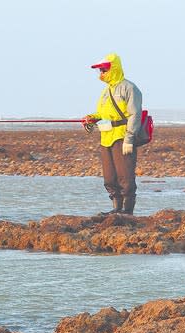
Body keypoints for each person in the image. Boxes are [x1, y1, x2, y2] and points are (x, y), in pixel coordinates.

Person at [83, 53, 142, 215]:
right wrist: (92, 118)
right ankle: (116, 208)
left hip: (122, 137)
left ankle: (127, 211)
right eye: (100, 70)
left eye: (104, 70)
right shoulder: (105, 91)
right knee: (109, 178)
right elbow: (103, 114)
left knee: (125, 176)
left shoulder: (129, 88)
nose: (101, 73)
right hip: (106, 138)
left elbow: (135, 114)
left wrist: (129, 139)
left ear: (113, 69)